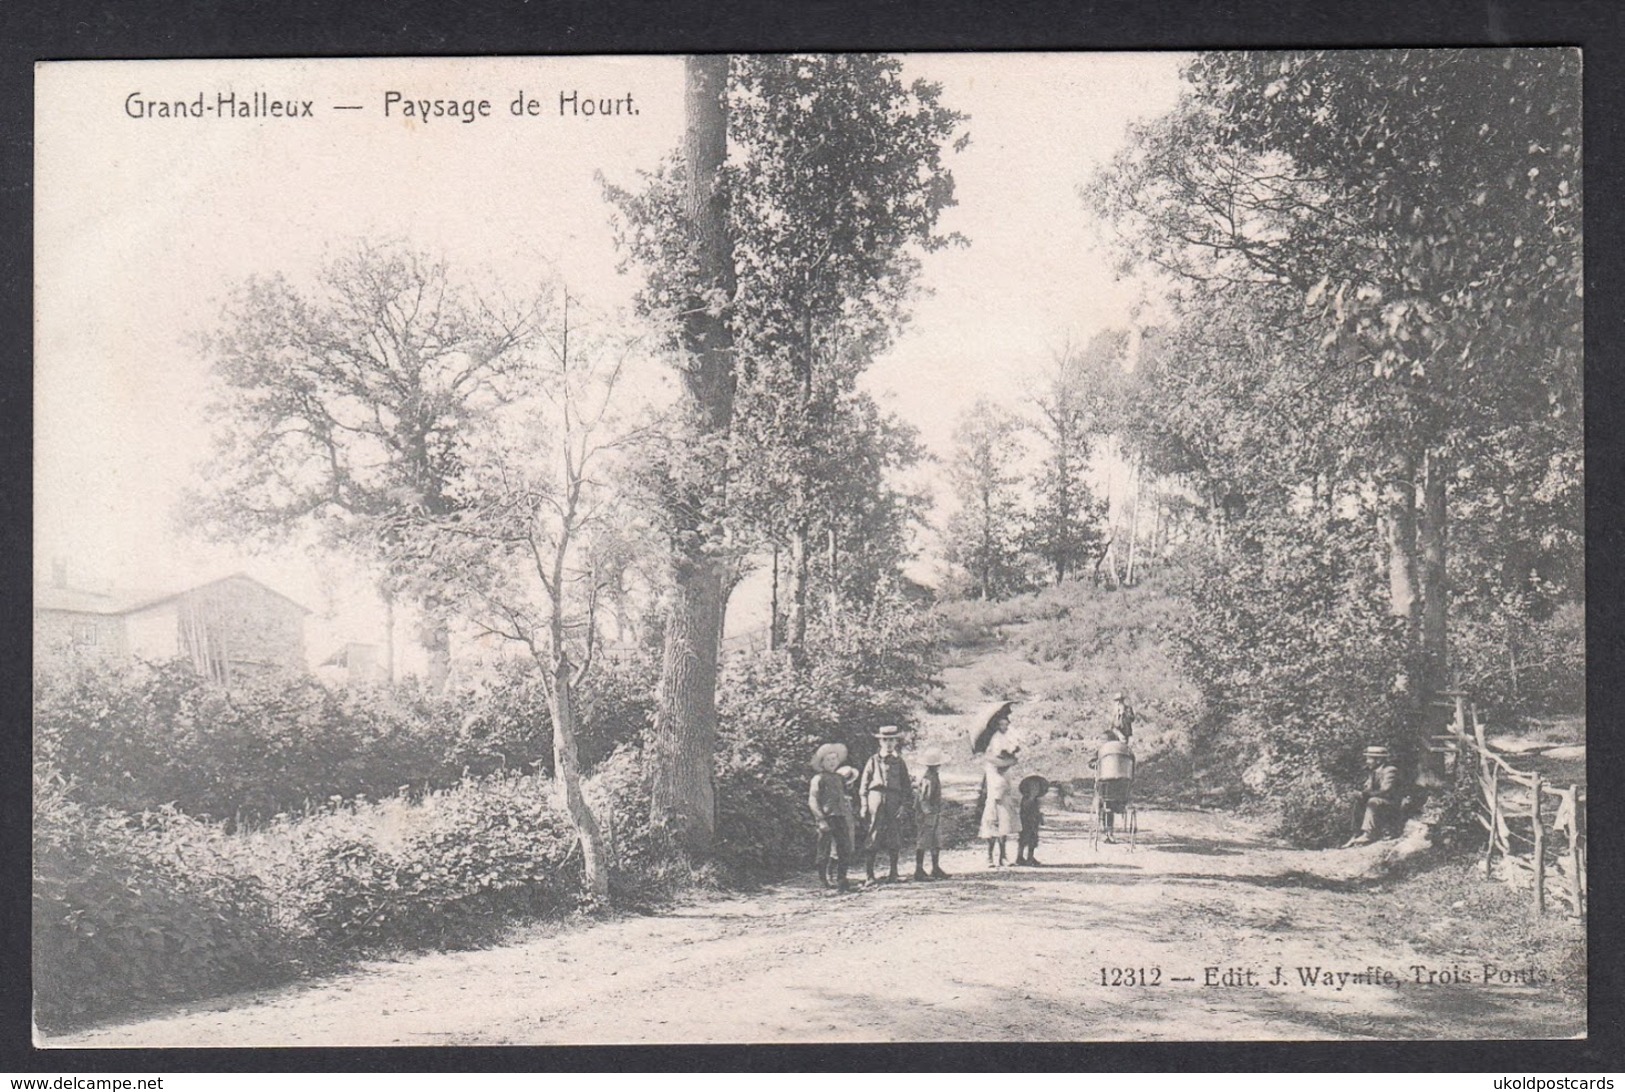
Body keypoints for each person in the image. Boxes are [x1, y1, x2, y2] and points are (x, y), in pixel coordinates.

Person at [860, 725, 915, 884]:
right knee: (874, 832)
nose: (888, 743)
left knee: (894, 833)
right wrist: (864, 804)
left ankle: (893, 873)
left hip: (894, 798)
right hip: (875, 797)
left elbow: (906, 786)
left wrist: (904, 805)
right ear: (880, 742)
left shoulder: (899, 762)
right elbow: (864, 784)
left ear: (896, 741)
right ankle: (869, 875)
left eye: (892, 740)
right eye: (885, 740)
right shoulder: (873, 760)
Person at [807, 743, 855, 891]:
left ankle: (842, 879)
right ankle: (823, 880)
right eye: (828, 760)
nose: (832, 762)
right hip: (827, 818)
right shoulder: (818, 778)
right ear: (822, 762)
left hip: (840, 817)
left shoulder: (839, 778)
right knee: (824, 850)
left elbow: (844, 796)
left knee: (844, 848)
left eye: (834, 759)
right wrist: (820, 819)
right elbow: (812, 800)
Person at [1344, 745, 1402, 847]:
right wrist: (1360, 794)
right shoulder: (1373, 772)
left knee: (1373, 801)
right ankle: (1356, 833)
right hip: (1380, 802)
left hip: (1391, 804)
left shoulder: (1390, 770)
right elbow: (1368, 788)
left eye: (1369, 758)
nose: (1367, 761)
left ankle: (1369, 833)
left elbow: (1385, 790)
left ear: (1379, 760)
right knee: (1359, 800)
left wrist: (1365, 794)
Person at [979, 748, 1022, 868]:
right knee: (991, 828)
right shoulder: (991, 770)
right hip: (993, 800)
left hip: (1004, 800)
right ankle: (989, 857)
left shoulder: (1007, 772)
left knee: (1004, 829)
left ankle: (1003, 856)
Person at [912, 745, 949, 881]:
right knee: (923, 840)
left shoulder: (933, 776)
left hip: (933, 812)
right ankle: (919, 870)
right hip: (927, 814)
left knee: (935, 840)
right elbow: (923, 798)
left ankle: (935, 868)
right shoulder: (929, 778)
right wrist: (928, 814)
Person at [1016, 775, 1049, 865]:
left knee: (1033, 839)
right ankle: (1020, 856)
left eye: (1037, 787)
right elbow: (1024, 812)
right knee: (1024, 838)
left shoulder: (1035, 800)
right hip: (1026, 822)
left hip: (1034, 822)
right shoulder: (1026, 800)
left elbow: (1036, 811)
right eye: (1033, 787)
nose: (1035, 790)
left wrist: (1039, 816)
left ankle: (1030, 856)